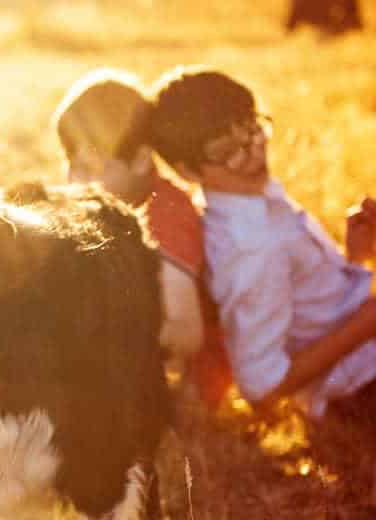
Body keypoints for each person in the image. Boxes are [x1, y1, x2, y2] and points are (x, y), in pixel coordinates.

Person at [148, 66, 376, 420]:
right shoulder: (249, 248)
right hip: (361, 388)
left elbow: (314, 309)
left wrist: (357, 258)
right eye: (229, 151)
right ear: (189, 172)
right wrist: (366, 322)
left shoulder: (256, 199)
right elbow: (261, 386)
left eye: (254, 129)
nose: (254, 153)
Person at [3, 68, 233, 407]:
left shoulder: (165, 214)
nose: (77, 182)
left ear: (141, 160)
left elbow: (186, 333)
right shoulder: (108, 202)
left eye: (91, 168)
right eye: (71, 165)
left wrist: (96, 332)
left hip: (188, 385)